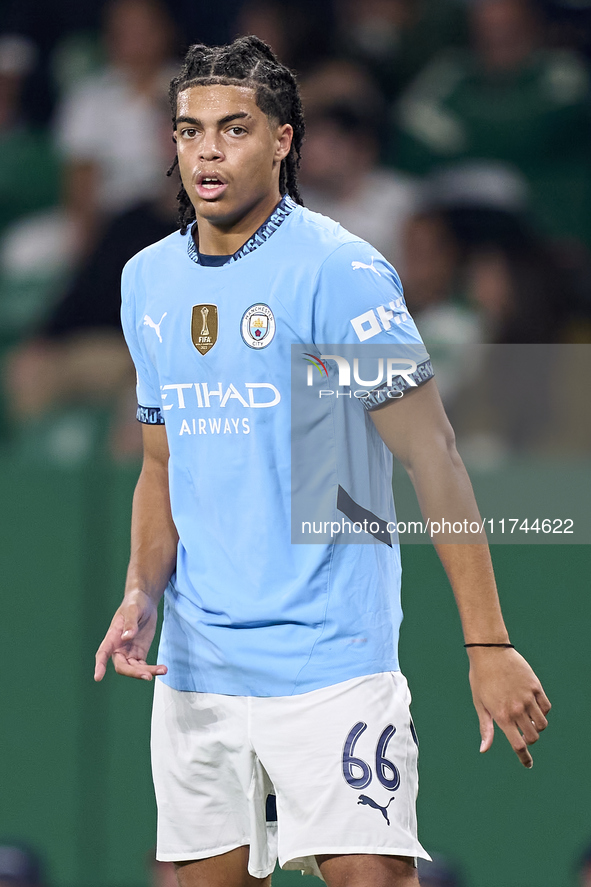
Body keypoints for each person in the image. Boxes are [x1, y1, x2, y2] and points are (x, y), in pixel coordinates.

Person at [94, 36, 551, 887]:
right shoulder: (146, 282)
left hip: (331, 663)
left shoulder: (338, 271)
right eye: (189, 131)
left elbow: (433, 453)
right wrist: (139, 589)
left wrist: (486, 640)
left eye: (233, 129)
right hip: (199, 670)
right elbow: (160, 464)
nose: (207, 152)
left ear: (283, 140)